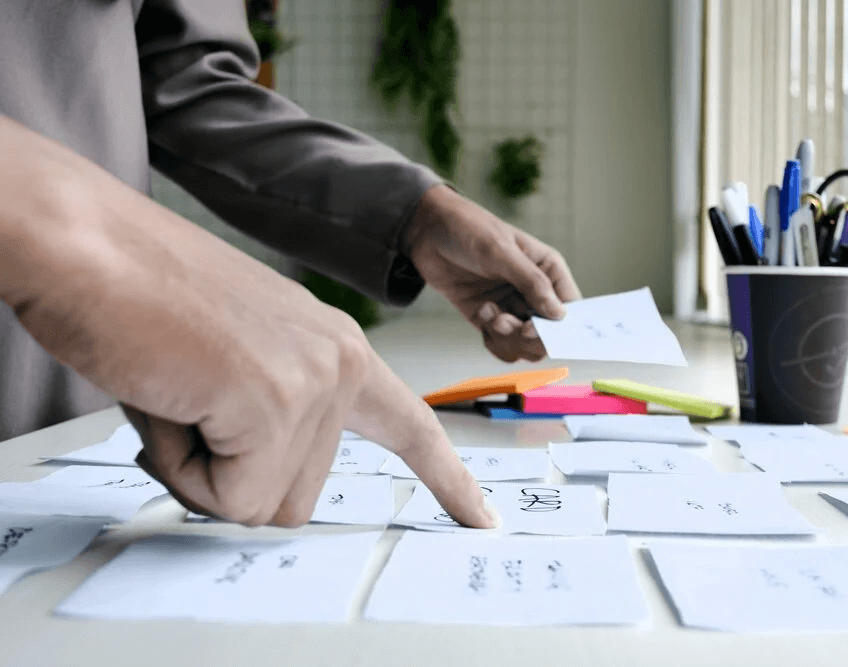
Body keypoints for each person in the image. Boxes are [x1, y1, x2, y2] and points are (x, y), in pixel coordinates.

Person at [0, 1, 580, 528]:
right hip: (79, 309)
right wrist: (77, 228)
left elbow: (188, 81)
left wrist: (414, 213)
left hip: (62, 403)